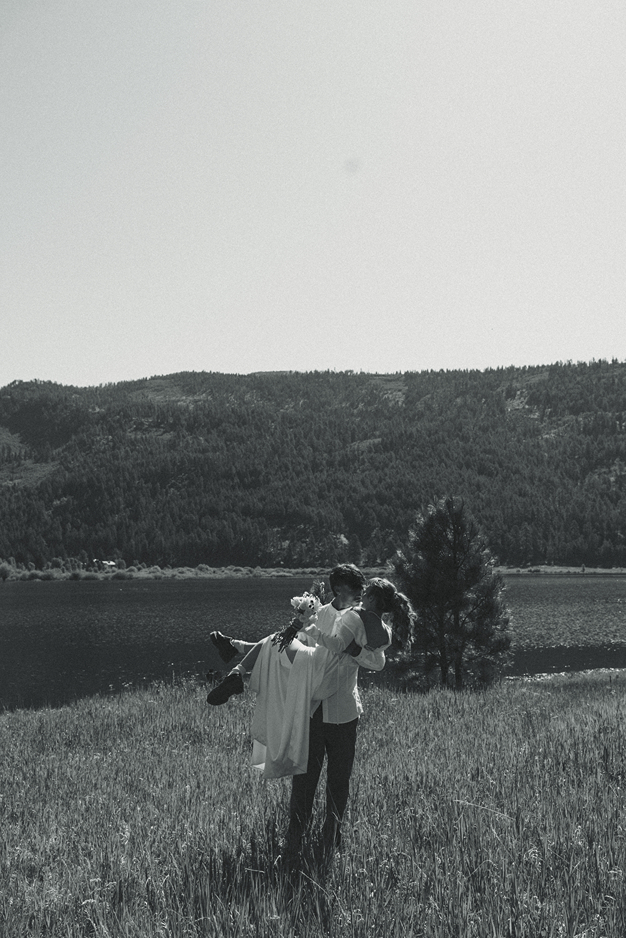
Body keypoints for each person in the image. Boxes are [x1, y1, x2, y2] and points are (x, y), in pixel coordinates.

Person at [207, 565, 414, 858]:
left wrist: (355, 652)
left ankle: (332, 834)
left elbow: (378, 663)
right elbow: (297, 648)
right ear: (339, 590)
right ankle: (295, 834)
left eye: (361, 591)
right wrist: (302, 627)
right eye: (354, 590)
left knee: (339, 779)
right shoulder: (322, 614)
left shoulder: (364, 620)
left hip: (344, 712)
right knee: (305, 775)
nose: (357, 595)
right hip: (312, 708)